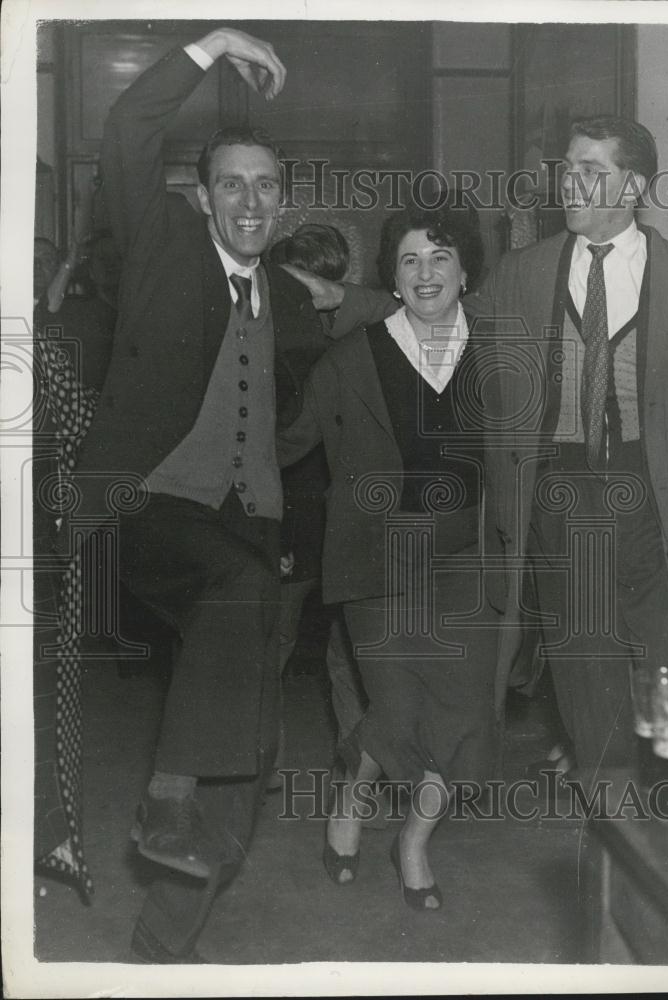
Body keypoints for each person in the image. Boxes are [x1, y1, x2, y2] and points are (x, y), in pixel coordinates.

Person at [288, 115, 668, 773]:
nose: (572, 182)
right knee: (596, 716)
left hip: (659, 513)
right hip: (559, 509)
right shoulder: (523, 275)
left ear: (634, 185)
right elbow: (434, 303)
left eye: (593, 170)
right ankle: (613, 854)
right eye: (568, 167)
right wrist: (343, 298)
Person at [63, 27, 327, 962]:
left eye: (265, 187)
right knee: (237, 595)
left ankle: (162, 940)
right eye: (231, 184)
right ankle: (167, 798)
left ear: (281, 204)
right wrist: (213, 43)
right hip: (144, 503)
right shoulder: (162, 247)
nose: (249, 200)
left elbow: (355, 312)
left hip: (241, 524)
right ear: (203, 197)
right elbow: (131, 124)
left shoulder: (286, 298)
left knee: (253, 748)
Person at [278, 203, 498, 910]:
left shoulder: (501, 347)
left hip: (469, 551)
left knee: (462, 714)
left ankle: (411, 838)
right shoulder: (354, 356)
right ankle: (358, 802)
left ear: (466, 272)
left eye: (440, 257)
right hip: (379, 553)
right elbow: (286, 443)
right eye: (409, 260)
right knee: (400, 708)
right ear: (392, 280)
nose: (426, 272)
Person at [267, 223, 365, 786]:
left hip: (312, 522)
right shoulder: (337, 346)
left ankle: (271, 771)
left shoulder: (347, 344)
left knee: (326, 654)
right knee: (345, 657)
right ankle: (359, 785)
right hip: (310, 521)